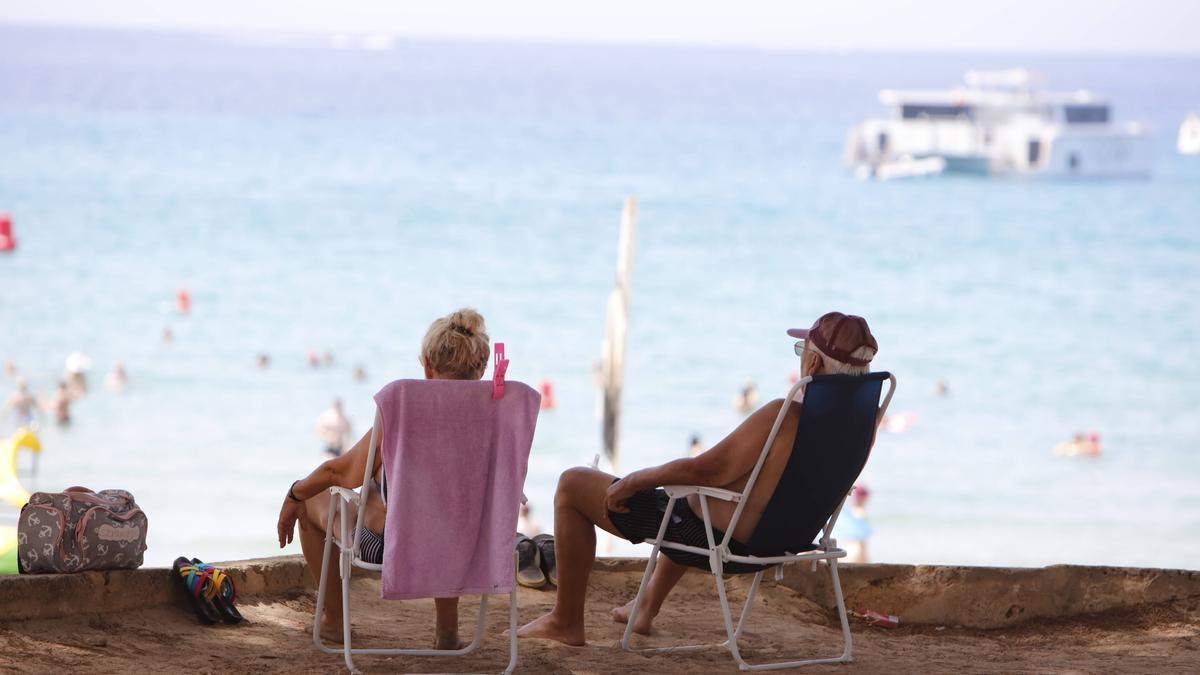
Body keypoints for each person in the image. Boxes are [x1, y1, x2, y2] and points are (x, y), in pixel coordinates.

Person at [517, 311, 878, 644]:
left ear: (813, 361)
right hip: (784, 543)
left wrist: (632, 481)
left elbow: (703, 469)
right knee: (700, 498)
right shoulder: (864, 425)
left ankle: (565, 622)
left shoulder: (784, 418)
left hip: (721, 543)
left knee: (572, 484)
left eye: (802, 349)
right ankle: (644, 607)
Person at [277, 308, 492, 648]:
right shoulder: (498, 414)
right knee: (448, 506)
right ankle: (447, 631)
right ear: (482, 369)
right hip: (477, 548)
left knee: (313, 501)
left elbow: (342, 472)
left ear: (426, 366)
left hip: (396, 551)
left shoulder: (405, 409)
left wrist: (295, 494)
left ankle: (334, 621)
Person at [838, 485, 872, 563]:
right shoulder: (861, 512)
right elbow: (861, 537)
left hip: (849, 546)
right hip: (857, 548)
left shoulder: (850, 511)